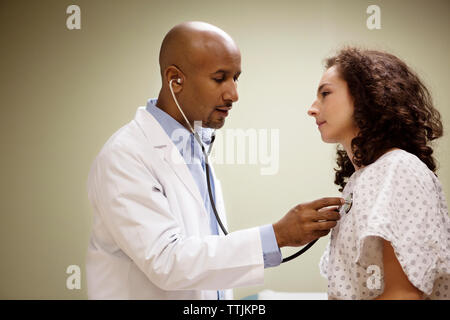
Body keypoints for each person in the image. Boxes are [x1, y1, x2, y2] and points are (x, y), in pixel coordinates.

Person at [86, 21, 342, 300]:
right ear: (175, 80)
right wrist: (277, 235)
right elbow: (167, 262)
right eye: (220, 78)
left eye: (236, 78)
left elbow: (204, 255)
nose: (233, 94)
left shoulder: (192, 143)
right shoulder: (126, 155)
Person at [308, 47, 450, 300]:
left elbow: (403, 295)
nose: (312, 109)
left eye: (326, 94)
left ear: (366, 97)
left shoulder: (400, 169)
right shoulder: (361, 180)